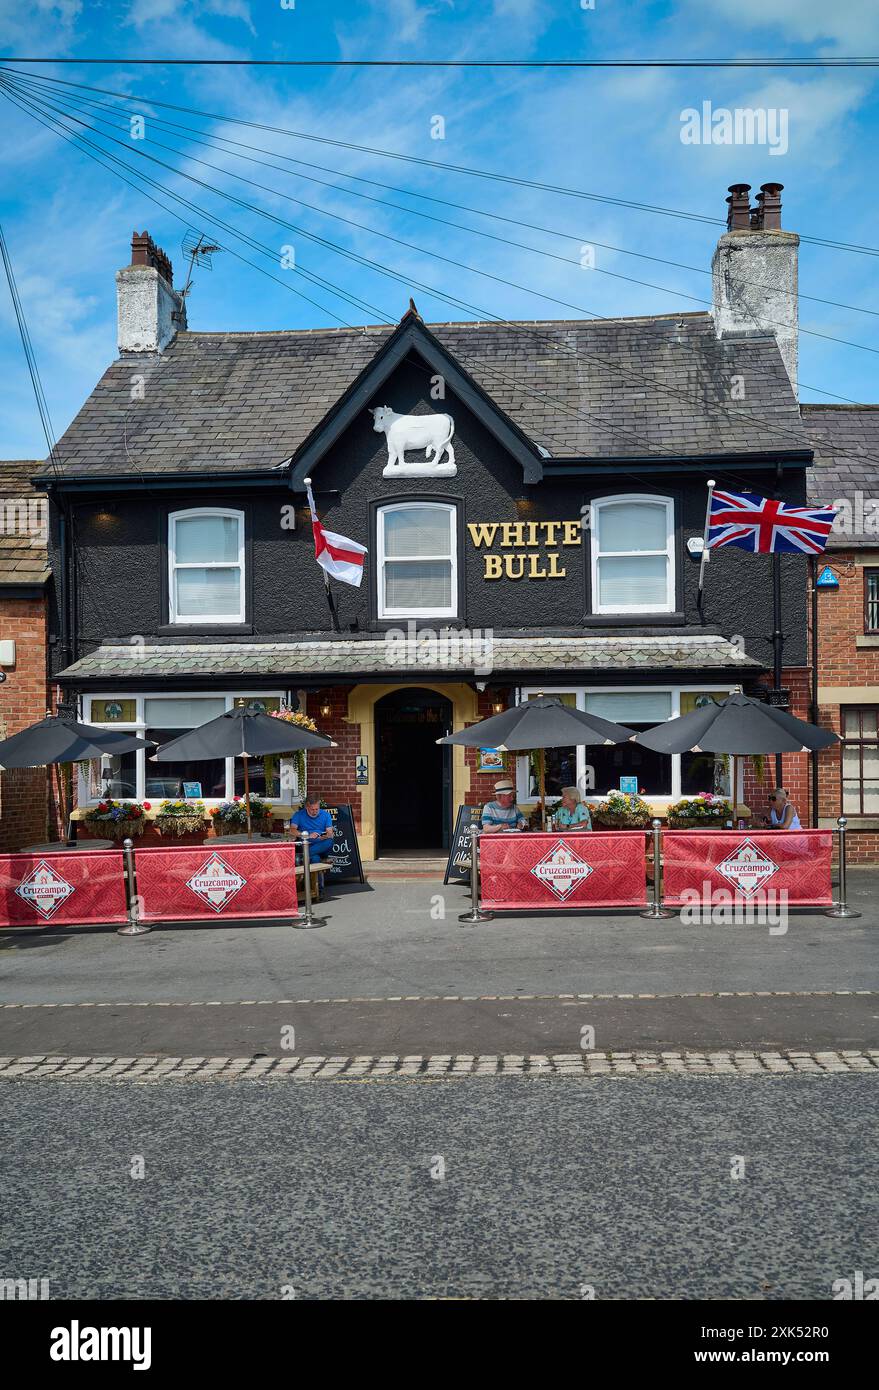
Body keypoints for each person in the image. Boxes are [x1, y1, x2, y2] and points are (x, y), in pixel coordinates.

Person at [290, 793, 335, 862]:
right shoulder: (298, 815)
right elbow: (292, 830)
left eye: (317, 809)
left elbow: (329, 832)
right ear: (306, 807)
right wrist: (307, 835)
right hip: (306, 844)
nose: (315, 812)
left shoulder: (326, 815)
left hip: (321, 844)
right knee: (315, 858)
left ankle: (303, 856)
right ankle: (312, 858)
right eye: (312, 809)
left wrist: (327, 835)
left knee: (329, 841)